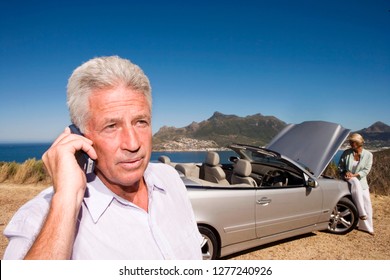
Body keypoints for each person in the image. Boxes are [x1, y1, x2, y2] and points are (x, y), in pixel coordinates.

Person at [3, 56, 203, 259]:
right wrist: (66, 201)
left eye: (140, 122)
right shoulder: (39, 219)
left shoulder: (169, 178)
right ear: (79, 136)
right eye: (111, 126)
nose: (133, 144)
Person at [338, 133, 374, 235]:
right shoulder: (346, 153)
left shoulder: (368, 155)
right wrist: (346, 172)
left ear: (359, 143)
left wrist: (355, 175)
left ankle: (367, 227)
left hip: (361, 181)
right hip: (347, 178)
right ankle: (361, 213)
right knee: (354, 181)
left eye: (352, 142)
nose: (350, 144)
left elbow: (366, 170)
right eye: (350, 142)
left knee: (367, 203)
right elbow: (340, 166)